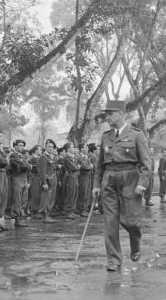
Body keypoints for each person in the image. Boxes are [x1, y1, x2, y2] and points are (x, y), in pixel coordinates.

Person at [92, 100, 152, 271]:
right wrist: (96, 185)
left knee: (130, 221)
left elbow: (146, 163)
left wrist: (142, 183)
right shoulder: (105, 136)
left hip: (129, 180)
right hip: (109, 180)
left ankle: (136, 244)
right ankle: (114, 260)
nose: (107, 118)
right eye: (106, 115)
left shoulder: (136, 135)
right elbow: (100, 166)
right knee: (110, 222)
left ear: (121, 114)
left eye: (110, 114)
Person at [9, 139, 31, 227]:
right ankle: (17, 218)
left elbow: (27, 166)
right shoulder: (13, 155)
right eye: (20, 145)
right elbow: (24, 165)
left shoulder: (21, 156)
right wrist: (26, 165)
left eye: (23, 146)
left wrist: (26, 165)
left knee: (24, 199)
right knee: (17, 199)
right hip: (17, 177)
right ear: (15, 146)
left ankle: (20, 216)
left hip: (24, 178)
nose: (22, 147)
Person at [38, 139, 57, 223]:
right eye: (49, 146)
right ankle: (45, 215)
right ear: (45, 147)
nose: (50, 148)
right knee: (46, 199)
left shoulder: (51, 157)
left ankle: (48, 214)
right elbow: (42, 171)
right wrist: (44, 183)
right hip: (47, 181)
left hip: (52, 180)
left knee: (50, 198)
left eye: (52, 147)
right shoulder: (43, 157)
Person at [62, 142, 80, 220]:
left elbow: (77, 166)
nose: (73, 148)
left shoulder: (73, 157)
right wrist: (77, 167)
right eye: (72, 147)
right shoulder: (67, 157)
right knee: (70, 193)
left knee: (74, 193)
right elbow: (74, 167)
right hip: (70, 175)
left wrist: (77, 167)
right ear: (68, 149)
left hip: (75, 175)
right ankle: (68, 211)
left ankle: (72, 210)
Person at [76, 143, 94, 217]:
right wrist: (90, 166)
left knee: (87, 193)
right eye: (86, 148)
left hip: (88, 176)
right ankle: (81, 209)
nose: (87, 149)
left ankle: (85, 209)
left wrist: (89, 166)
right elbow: (85, 166)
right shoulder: (79, 157)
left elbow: (90, 166)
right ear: (81, 149)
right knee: (83, 193)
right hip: (83, 176)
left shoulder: (87, 157)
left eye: (87, 148)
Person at [28, 145, 43, 216]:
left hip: (38, 177)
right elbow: (38, 169)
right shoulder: (33, 158)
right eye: (40, 150)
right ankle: (34, 210)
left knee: (38, 194)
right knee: (35, 194)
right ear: (36, 150)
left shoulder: (37, 158)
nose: (41, 151)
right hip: (34, 177)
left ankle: (35, 209)